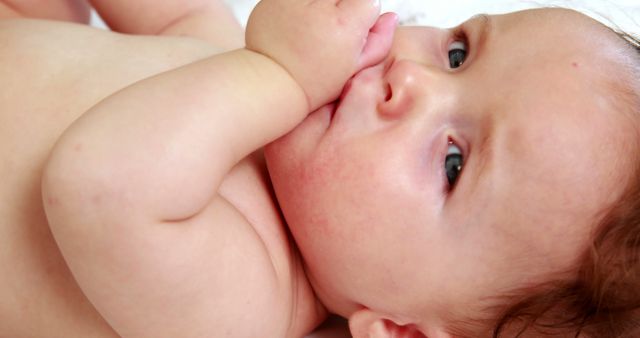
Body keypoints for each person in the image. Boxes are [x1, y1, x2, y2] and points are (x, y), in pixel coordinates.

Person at [2, 1, 638, 338]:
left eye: (453, 162)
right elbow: (175, 22)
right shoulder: (255, 82)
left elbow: (99, 187)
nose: (410, 78)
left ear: (399, 330)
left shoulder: (251, 294)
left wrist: (278, 73)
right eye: (457, 52)